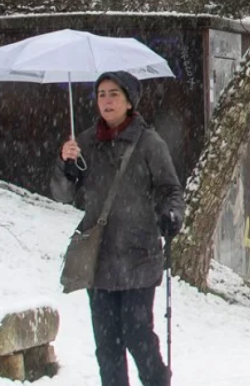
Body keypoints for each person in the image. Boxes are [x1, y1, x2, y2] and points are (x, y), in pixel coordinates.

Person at [51, 71, 184, 386]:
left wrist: (172, 214)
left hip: (139, 255)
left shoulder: (149, 142)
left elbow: (171, 190)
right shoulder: (83, 142)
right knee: (107, 346)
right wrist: (64, 165)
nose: (106, 101)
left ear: (129, 101)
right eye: (101, 94)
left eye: (113, 94)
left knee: (138, 335)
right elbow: (62, 195)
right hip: (99, 258)